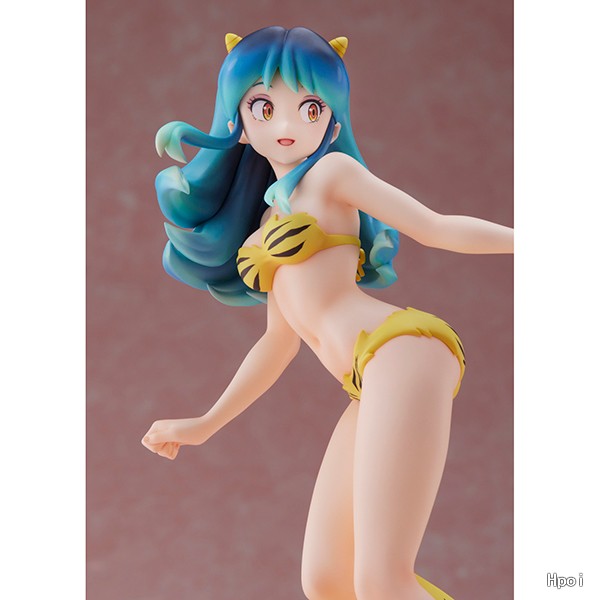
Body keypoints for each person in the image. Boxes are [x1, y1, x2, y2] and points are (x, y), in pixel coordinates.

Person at [142, 26, 513, 600]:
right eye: (264, 107)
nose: (286, 125)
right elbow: (277, 343)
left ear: (331, 122)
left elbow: (434, 227)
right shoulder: (266, 221)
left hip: (399, 351)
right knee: (327, 581)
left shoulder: (332, 175)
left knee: (382, 580)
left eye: (309, 107)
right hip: (365, 377)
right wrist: (204, 424)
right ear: (238, 121)